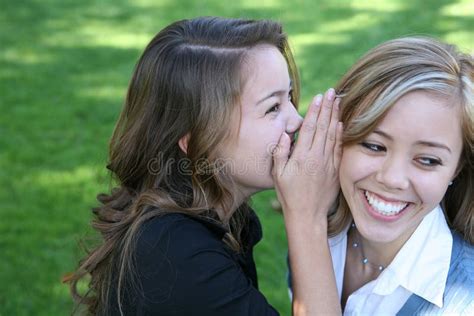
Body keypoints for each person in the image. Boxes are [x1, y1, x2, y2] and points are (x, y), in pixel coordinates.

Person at [65, 17, 343, 315]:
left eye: (288, 97)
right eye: (273, 107)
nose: (296, 120)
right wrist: (306, 214)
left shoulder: (221, 217)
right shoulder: (176, 255)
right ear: (198, 141)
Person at [290, 36, 474, 314]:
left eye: (427, 160)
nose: (392, 178)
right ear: (337, 135)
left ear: (456, 168)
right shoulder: (319, 221)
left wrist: (303, 220)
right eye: (374, 145)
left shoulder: (463, 303)